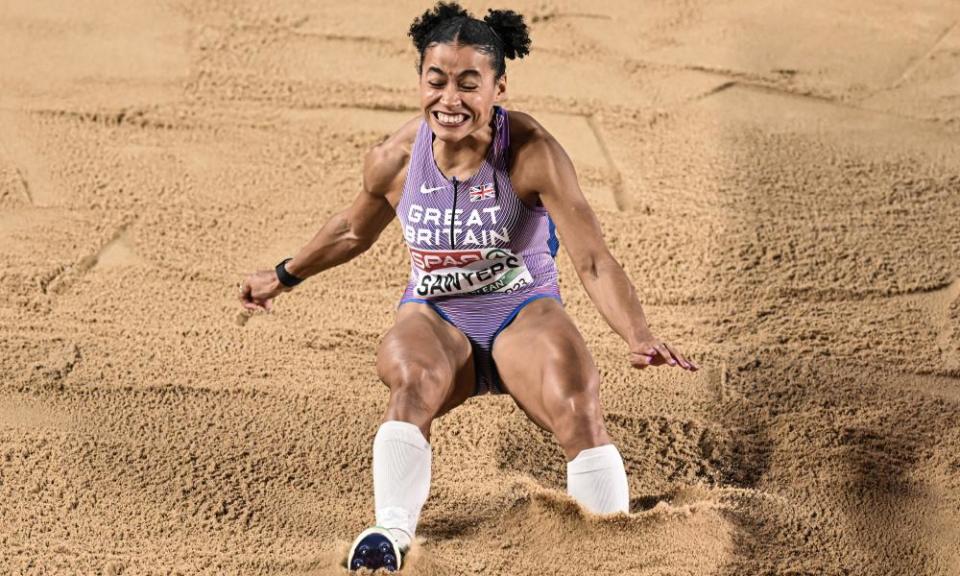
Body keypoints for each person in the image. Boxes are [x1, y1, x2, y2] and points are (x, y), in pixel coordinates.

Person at [239, 2, 699, 572]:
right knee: (409, 383)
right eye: (436, 81)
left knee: (578, 403)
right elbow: (354, 229)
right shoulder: (395, 159)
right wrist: (284, 275)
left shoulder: (533, 153)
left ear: (499, 87)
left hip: (522, 310)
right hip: (435, 317)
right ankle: (391, 537)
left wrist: (638, 333)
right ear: (420, 82)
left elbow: (594, 260)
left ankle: (612, 549)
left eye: (468, 84)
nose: (449, 100)